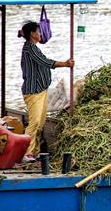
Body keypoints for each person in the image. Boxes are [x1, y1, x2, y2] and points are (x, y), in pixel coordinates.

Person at [18, 21, 74, 163]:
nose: (41, 34)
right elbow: (46, 62)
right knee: (35, 122)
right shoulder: (29, 49)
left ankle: (34, 152)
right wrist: (65, 64)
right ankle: (27, 152)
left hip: (41, 91)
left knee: (40, 122)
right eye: (38, 31)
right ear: (32, 34)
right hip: (33, 91)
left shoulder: (34, 47)